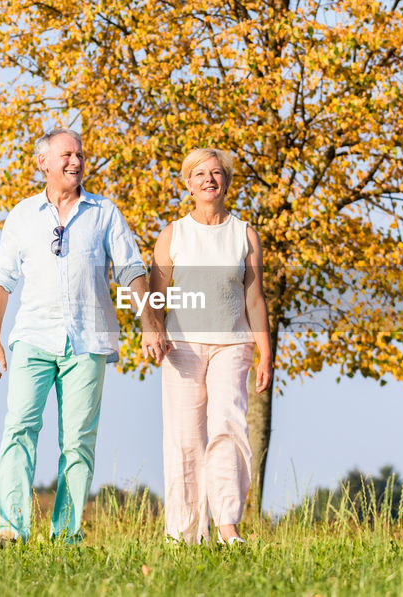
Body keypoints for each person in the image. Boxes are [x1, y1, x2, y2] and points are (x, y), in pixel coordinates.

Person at [0, 128, 167, 545]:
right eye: (67, 155)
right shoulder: (22, 215)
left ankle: (65, 535)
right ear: (43, 162)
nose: (76, 162)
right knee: (18, 428)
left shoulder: (104, 213)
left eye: (80, 155)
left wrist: (150, 324)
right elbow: (0, 279)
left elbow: (132, 272)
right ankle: (11, 530)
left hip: (89, 341)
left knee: (78, 443)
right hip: (32, 336)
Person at [149, 148, 273, 544]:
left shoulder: (244, 235)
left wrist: (266, 353)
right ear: (188, 184)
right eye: (199, 174)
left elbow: (254, 299)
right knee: (184, 438)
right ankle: (184, 532)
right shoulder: (172, 235)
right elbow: (155, 295)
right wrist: (152, 331)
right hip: (181, 348)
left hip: (232, 346)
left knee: (228, 427)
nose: (208, 179)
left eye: (216, 173)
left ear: (227, 183)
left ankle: (226, 525)